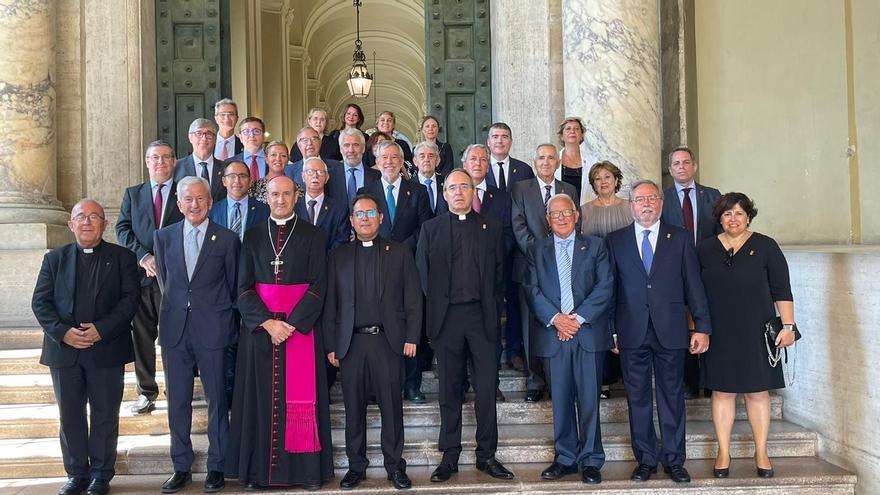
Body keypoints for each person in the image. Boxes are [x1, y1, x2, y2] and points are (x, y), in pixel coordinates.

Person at [226, 176, 333, 490]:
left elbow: (319, 286)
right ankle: (258, 474)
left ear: (296, 196)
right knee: (259, 401)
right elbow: (243, 288)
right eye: (275, 194)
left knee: (301, 402)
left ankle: (307, 474)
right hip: (261, 334)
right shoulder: (253, 236)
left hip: (300, 332)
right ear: (266, 198)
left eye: (287, 194)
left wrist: (292, 323)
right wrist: (267, 323)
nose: (281, 199)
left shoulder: (314, 235)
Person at [605, 179, 712, 484]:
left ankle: (675, 460)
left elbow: (694, 286)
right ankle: (646, 459)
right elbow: (611, 289)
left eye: (652, 198)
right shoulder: (616, 240)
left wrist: (701, 327)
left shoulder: (678, 238)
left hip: (671, 330)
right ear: (631, 205)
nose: (647, 204)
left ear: (662, 204)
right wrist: (610, 330)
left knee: (672, 397)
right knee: (637, 398)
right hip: (630, 331)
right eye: (640, 199)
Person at [32, 199, 140, 495]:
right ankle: (76, 473)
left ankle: (101, 475)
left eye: (94, 216)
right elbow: (40, 303)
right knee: (70, 414)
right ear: (71, 224)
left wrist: (101, 330)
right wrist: (63, 333)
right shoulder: (54, 259)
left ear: (105, 224)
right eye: (81, 216)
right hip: (64, 351)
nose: (87, 222)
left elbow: (130, 301)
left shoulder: (122, 258)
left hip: (106, 349)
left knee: (105, 414)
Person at [416, 169, 514, 483]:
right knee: (449, 389)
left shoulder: (492, 228)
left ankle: (487, 455)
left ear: (474, 192)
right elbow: (423, 274)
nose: (458, 192)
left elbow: (499, 274)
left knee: (486, 388)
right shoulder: (430, 229)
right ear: (444, 194)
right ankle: (449, 456)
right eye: (452, 188)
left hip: (481, 318)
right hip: (447, 320)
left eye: (464, 187)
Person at [324, 194, 422, 490]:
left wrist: (412, 337)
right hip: (351, 345)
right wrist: (331, 345)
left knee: (392, 408)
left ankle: (394, 466)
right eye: (358, 213)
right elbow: (331, 305)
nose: (364, 218)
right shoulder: (338, 256)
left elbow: (414, 298)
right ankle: (356, 466)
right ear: (351, 221)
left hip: (388, 343)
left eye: (370, 212)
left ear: (380, 217)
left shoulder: (400, 252)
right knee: (353, 409)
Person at [697, 192, 797, 479]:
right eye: (727, 214)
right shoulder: (704, 249)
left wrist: (788, 327)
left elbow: (782, 289)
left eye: (739, 213)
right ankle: (723, 451)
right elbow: (695, 293)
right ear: (719, 218)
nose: (733, 219)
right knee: (723, 391)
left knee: (757, 392)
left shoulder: (766, 246)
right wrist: (697, 328)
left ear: (749, 216)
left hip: (757, 329)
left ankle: (762, 450)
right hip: (719, 331)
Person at [154, 177, 241, 494]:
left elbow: (233, 287)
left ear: (209, 202)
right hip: (175, 330)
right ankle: (181, 466)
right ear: (178, 204)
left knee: (217, 398)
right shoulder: (163, 237)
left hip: (213, 328)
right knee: (178, 401)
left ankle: (218, 466)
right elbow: (166, 281)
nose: (194, 205)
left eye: (200, 199)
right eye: (188, 199)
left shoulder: (228, 239)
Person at [524, 194, 613, 485]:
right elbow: (532, 290)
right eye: (555, 214)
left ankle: (591, 459)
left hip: (586, 332)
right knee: (560, 399)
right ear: (547, 220)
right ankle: (565, 458)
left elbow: (605, 285)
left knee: (589, 399)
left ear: (577, 216)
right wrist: (557, 319)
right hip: (554, 333)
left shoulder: (597, 246)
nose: (561, 218)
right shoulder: (537, 249)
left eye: (566, 213)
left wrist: (576, 319)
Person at [116, 140, 184, 415]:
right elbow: (122, 229)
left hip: (176, 279)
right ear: (147, 162)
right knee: (141, 337)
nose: (160, 163)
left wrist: (166, 260)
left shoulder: (185, 192)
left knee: (173, 337)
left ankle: (176, 389)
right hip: (141, 279)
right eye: (155, 158)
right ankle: (146, 392)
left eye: (166, 157)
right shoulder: (134, 194)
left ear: (174, 161)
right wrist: (143, 257)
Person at [511, 143, 579, 402]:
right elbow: (518, 226)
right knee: (532, 326)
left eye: (551, 158)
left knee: (562, 320)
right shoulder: (520, 189)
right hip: (530, 267)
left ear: (558, 162)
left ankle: (559, 379)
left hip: (564, 267)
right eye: (541, 158)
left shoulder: (568, 190)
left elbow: (573, 223)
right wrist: (543, 253)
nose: (546, 162)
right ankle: (534, 380)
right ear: (534, 161)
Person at [661, 145, 723, 400]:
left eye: (686, 162)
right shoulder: (662, 199)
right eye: (676, 163)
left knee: (709, 319)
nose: (681, 167)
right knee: (682, 324)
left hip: (708, 268)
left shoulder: (712, 195)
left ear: (694, 166)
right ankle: (689, 382)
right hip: (676, 271)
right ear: (670, 169)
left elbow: (721, 231)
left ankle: (712, 380)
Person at [463, 143, 516, 401]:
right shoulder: (452, 193)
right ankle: (461, 383)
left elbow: (508, 235)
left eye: (483, 159)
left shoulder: (501, 198)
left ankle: (490, 384)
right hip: (459, 285)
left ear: (488, 165)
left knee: (491, 336)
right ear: (464, 164)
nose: (477, 163)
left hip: (491, 281)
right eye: (473, 159)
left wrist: (487, 260)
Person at [580, 161, 632, 399]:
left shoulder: (630, 207)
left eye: (607, 177)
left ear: (616, 180)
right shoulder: (585, 210)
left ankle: (628, 376)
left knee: (625, 319)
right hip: (596, 275)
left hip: (627, 272)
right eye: (598, 178)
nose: (603, 182)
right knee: (601, 323)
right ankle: (605, 381)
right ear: (593, 183)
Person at [358, 140, 432, 253]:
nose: (389, 161)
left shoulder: (419, 191)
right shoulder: (365, 193)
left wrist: (403, 248)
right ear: (377, 162)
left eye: (394, 157)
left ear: (401, 161)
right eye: (384, 157)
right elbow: (362, 226)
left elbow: (425, 226)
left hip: (409, 255)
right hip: (375, 255)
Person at [294, 157, 350, 252]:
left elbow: (342, 240)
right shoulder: (293, 206)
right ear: (303, 176)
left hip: (328, 262)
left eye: (320, 172)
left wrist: (322, 259)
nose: (315, 176)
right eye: (310, 172)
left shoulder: (339, 209)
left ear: (327, 178)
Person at [210, 161, 270, 240]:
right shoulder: (213, 211)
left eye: (242, 176)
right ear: (224, 181)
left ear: (250, 181)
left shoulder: (265, 210)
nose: (237, 181)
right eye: (232, 176)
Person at [173, 118, 226, 202]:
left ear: (215, 139)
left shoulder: (225, 168)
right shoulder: (176, 167)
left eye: (208, 134)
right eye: (199, 133)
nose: (204, 138)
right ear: (190, 137)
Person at [327, 127, 380, 208]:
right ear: (341, 149)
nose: (351, 150)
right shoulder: (329, 176)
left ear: (363, 148)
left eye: (355, 145)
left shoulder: (377, 177)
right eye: (346, 145)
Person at [285, 127, 343, 192]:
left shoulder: (338, 167)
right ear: (298, 145)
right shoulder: (288, 171)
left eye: (314, 139)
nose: (310, 143)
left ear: (320, 143)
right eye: (305, 140)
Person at [484, 122, 535, 192]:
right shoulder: (480, 168)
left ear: (510, 142)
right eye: (495, 137)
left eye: (504, 137)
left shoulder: (524, 170)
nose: (499, 141)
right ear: (488, 142)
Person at [556, 117, 595, 202]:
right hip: (561, 212)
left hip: (586, 210)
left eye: (576, 129)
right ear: (562, 136)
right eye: (568, 129)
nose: (572, 131)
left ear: (581, 135)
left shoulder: (593, 161)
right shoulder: (554, 160)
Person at [412, 141, 448, 215]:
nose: (426, 160)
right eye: (422, 156)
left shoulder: (446, 183)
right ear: (415, 161)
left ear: (437, 161)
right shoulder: (408, 186)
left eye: (431, 156)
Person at [228, 116, 268, 182]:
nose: (251, 135)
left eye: (256, 131)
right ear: (240, 138)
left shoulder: (274, 161)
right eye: (246, 131)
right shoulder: (229, 163)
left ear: (263, 136)